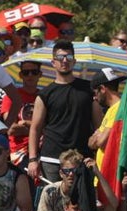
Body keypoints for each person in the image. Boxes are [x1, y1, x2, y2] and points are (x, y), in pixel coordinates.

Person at [27, 40, 93, 182]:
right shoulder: (45, 94)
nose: (64, 60)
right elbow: (35, 128)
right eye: (60, 57)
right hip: (51, 158)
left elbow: (99, 125)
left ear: (74, 61)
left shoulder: (89, 90)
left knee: (82, 196)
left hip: (81, 157)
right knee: (52, 196)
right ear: (53, 62)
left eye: (68, 57)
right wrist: (32, 159)